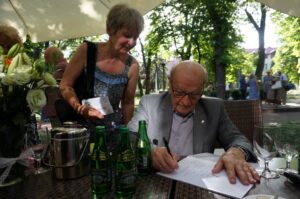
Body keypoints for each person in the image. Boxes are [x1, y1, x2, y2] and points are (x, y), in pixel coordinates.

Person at [128, 61, 260, 185]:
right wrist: (150, 151)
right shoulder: (150, 103)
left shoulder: (214, 108)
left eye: (194, 94)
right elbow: (130, 136)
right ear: (170, 84)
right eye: (179, 93)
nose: (185, 102)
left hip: (198, 183)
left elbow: (238, 138)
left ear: (202, 89)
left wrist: (236, 152)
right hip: (156, 181)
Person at [59, 4, 144, 129]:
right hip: (82, 129)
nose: (131, 42)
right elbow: (65, 85)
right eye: (127, 35)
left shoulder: (132, 66)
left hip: (113, 132)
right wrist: (80, 108)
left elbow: (127, 104)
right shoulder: (87, 51)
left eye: (135, 37)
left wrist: (127, 135)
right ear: (110, 29)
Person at [42, 46, 68, 125]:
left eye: (46, 58)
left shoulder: (59, 68)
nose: (45, 61)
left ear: (54, 57)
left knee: (60, 134)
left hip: (58, 110)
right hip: (61, 109)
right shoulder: (67, 66)